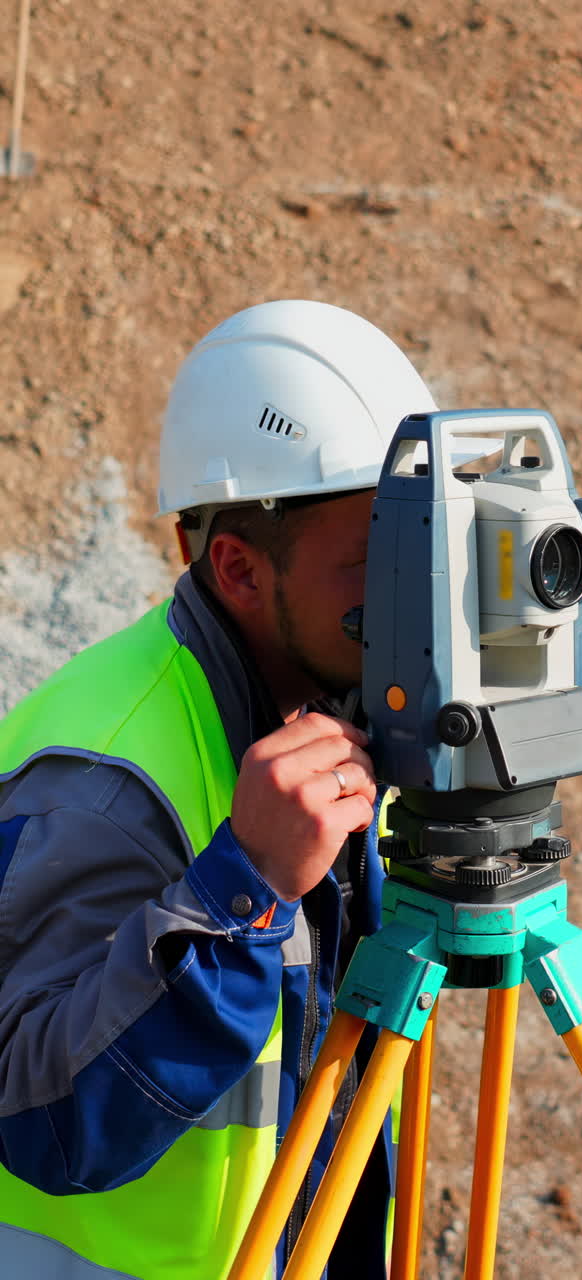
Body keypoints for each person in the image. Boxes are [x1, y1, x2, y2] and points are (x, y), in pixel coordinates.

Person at [0, 299, 437, 1279]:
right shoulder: (104, 779)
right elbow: (32, 1110)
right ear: (237, 566)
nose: (417, 592)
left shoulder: (356, 698)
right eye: (376, 561)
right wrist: (239, 890)